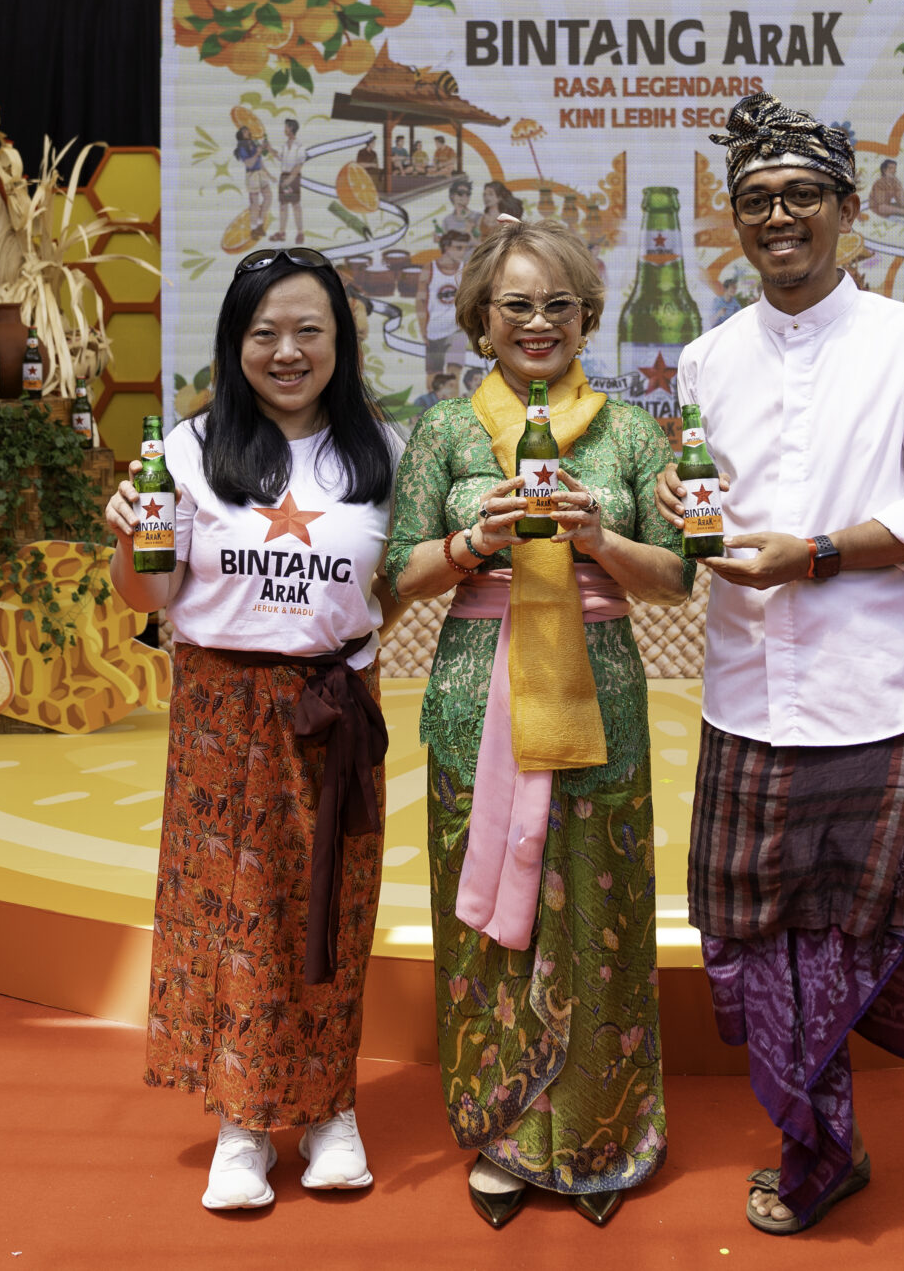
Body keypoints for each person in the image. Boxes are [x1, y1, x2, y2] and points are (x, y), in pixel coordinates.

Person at [656, 94, 904, 1270]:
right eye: (756, 201)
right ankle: (822, 1147)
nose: (779, 218)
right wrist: (684, 515)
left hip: (885, 694)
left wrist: (813, 553)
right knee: (756, 936)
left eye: (801, 196)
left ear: (847, 211)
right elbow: (705, 513)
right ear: (735, 223)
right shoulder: (706, 357)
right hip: (748, 700)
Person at [383, 218, 692, 1231]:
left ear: (588, 315)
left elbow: (677, 579)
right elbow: (395, 577)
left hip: (599, 692)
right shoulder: (443, 431)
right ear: (480, 317)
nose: (537, 322)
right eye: (516, 304)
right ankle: (507, 1131)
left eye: (558, 304)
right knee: (489, 910)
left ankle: (599, 1129)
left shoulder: (635, 430)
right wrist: (474, 540)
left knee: (598, 910)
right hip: (478, 696)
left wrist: (603, 540)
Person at [107, 247, 406, 1213]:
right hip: (219, 711)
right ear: (236, 343)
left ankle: (329, 1111)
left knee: (329, 908)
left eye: (308, 330)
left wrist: (337, 648)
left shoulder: (382, 454)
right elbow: (148, 595)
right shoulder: (190, 452)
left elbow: (385, 592)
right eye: (264, 332)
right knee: (229, 915)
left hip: (333, 713)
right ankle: (241, 1126)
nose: (287, 351)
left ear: (340, 341)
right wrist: (127, 535)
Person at [420, 227, 474, 383]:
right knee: (434, 377)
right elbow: (421, 301)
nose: (462, 252)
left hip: (456, 330)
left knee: (453, 374)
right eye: (458, 248)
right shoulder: (429, 269)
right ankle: (431, 406)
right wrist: (423, 328)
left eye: (464, 248)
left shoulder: (465, 269)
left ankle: (454, 407)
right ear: (446, 247)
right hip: (434, 330)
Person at [274, 117, 307, 243]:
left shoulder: (299, 146)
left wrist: (290, 179)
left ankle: (300, 233)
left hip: (293, 177)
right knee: (283, 205)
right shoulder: (284, 145)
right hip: (284, 175)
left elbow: (299, 166)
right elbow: (280, 157)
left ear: (291, 128)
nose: (284, 129)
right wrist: (269, 149)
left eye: (286, 127)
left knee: (296, 205)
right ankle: (282, 233)